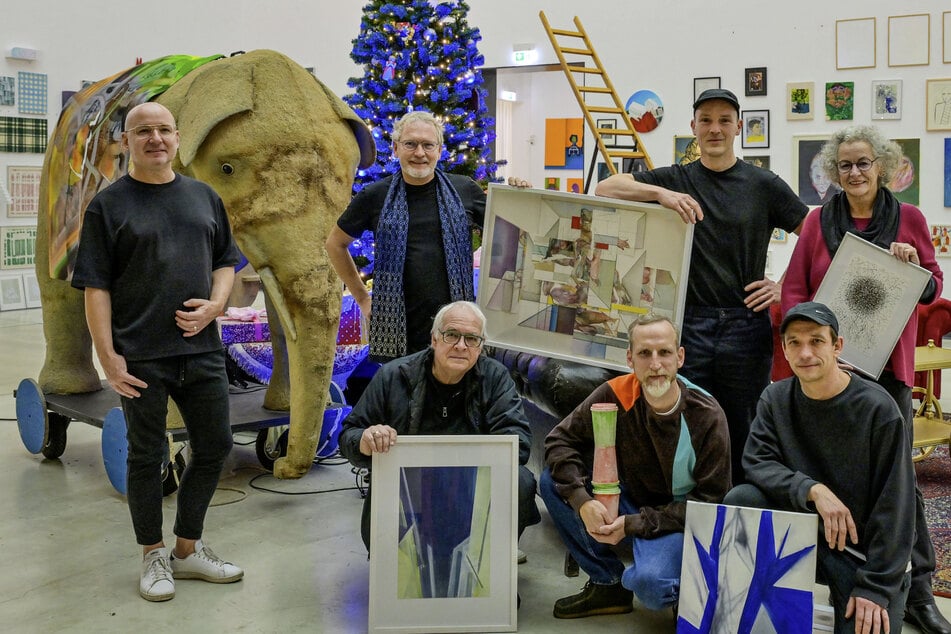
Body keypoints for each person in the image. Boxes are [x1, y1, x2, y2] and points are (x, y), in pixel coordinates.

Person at [71, 102, 244, 602]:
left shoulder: (203, 197)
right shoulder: (108, 206)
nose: (155, 138)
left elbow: (226, 263)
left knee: (214, 447)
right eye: (142, 131)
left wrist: (215, 305)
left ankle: (186, 551)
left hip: (202, 349)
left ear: (177, 138)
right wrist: (108, 355)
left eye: (163, 130)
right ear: (126, 142)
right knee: (147, 457)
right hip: (140, 354)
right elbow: (96, 286)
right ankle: (153, 555)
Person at [781, 125, 949, 634]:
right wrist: (808, 350)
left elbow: (932, 287)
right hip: (828, 376)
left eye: (864, 163)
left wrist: (916, 265)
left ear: (883, 167)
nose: (855, 172)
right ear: (835, 171)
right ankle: (847, 580)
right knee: (834, 474)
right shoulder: (815, 223)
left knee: (901, 483)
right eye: (846, 165)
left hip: (885, 371)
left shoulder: (911, 218)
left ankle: (919, 594)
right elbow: (793, 291)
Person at [596, 88, 808, 485]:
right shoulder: (676, 179)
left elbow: (813, 233)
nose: (715, 129)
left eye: (724, 121)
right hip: (688, 323)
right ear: (693, 127)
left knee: (744, 425)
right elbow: (606, 188)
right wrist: (659, 193)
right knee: (690, 420)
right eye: (705, 120)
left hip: (746, 324)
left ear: (739, 128)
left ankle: (743, 506)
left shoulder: (763, 184)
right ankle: (693, 510)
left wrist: (785, 286)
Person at [725, 302, 916, 634]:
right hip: (804, 536)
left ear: (837, 346)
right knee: (743, 498)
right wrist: (812, 489)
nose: (805, 352)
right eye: (795, 343)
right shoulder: (775, 399)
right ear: (783, 350)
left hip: (862, 554)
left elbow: (897, 506)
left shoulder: (878, 409)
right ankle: (751, 606)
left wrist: (876, 586)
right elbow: (757, 461)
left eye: (816, 341)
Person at [540, 315, 731, 619]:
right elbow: (558, 441)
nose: (655, 364)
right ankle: (608, 582)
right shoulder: (615, 393)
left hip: (674, 516)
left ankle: (678, 581)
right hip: (626, 500)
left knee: (652, 588)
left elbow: (710, 504)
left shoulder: (706, 415)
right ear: (630, 358)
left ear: (679, 357)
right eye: (644, 353)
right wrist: (583, 502)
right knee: (552, 481)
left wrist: (633, 525)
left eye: (664, 353)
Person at [338, 300, 541, 554]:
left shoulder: (496, 378)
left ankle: (492, 566)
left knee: (520, 480)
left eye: (471, 339)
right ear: (434, 339)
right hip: (410, 486)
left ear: (480, 346)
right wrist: (366, 440)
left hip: (472, 483)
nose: (460, 345)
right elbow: (349, 434)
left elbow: (518, 442)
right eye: (451, 335)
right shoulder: (393, 376)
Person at [326, 110, 529, 365]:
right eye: (410, 144)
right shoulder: (375, 195)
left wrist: (521, 198)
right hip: (397, 331)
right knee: (403, 402)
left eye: (428, 145)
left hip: (457, 329)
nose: (419, 153)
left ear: (439, 149)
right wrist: (362, 298)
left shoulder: (464, 189)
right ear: (396, 148)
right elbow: (335, 243)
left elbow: (514, 233)